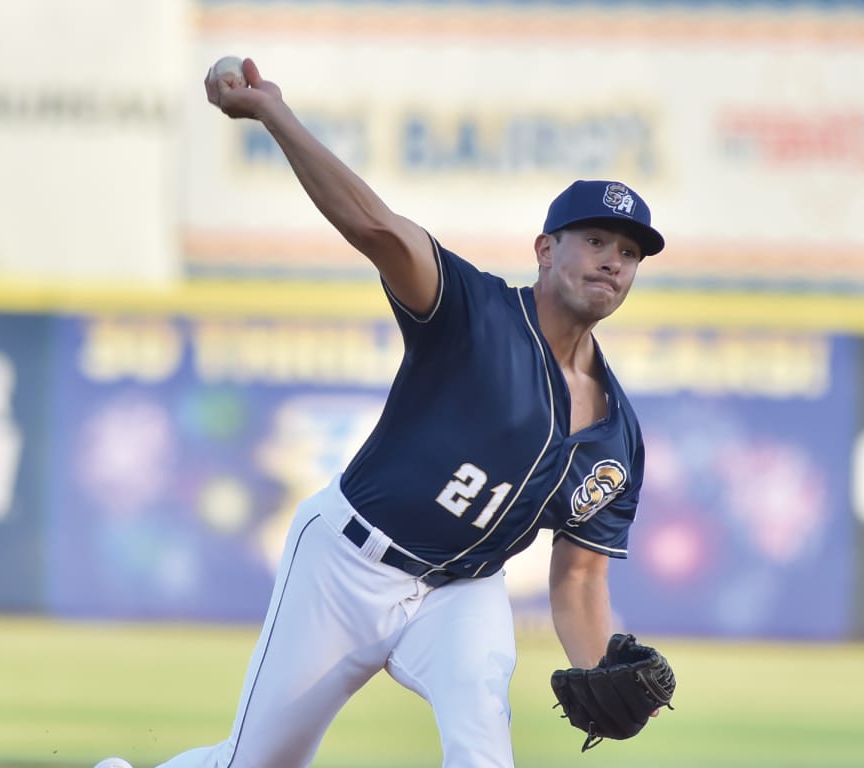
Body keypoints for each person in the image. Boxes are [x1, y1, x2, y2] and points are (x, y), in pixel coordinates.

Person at [125, 57, 664, 768]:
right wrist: (272, 114)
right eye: (595, 240)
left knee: (483, 756)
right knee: (254, 765)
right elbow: (375, 228)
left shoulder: (617, 438)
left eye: (628, 252)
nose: (611, 262)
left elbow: (579, 578)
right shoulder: (474, 314)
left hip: (462, 597)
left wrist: (600, 671)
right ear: (545, 249)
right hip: (345, 564)